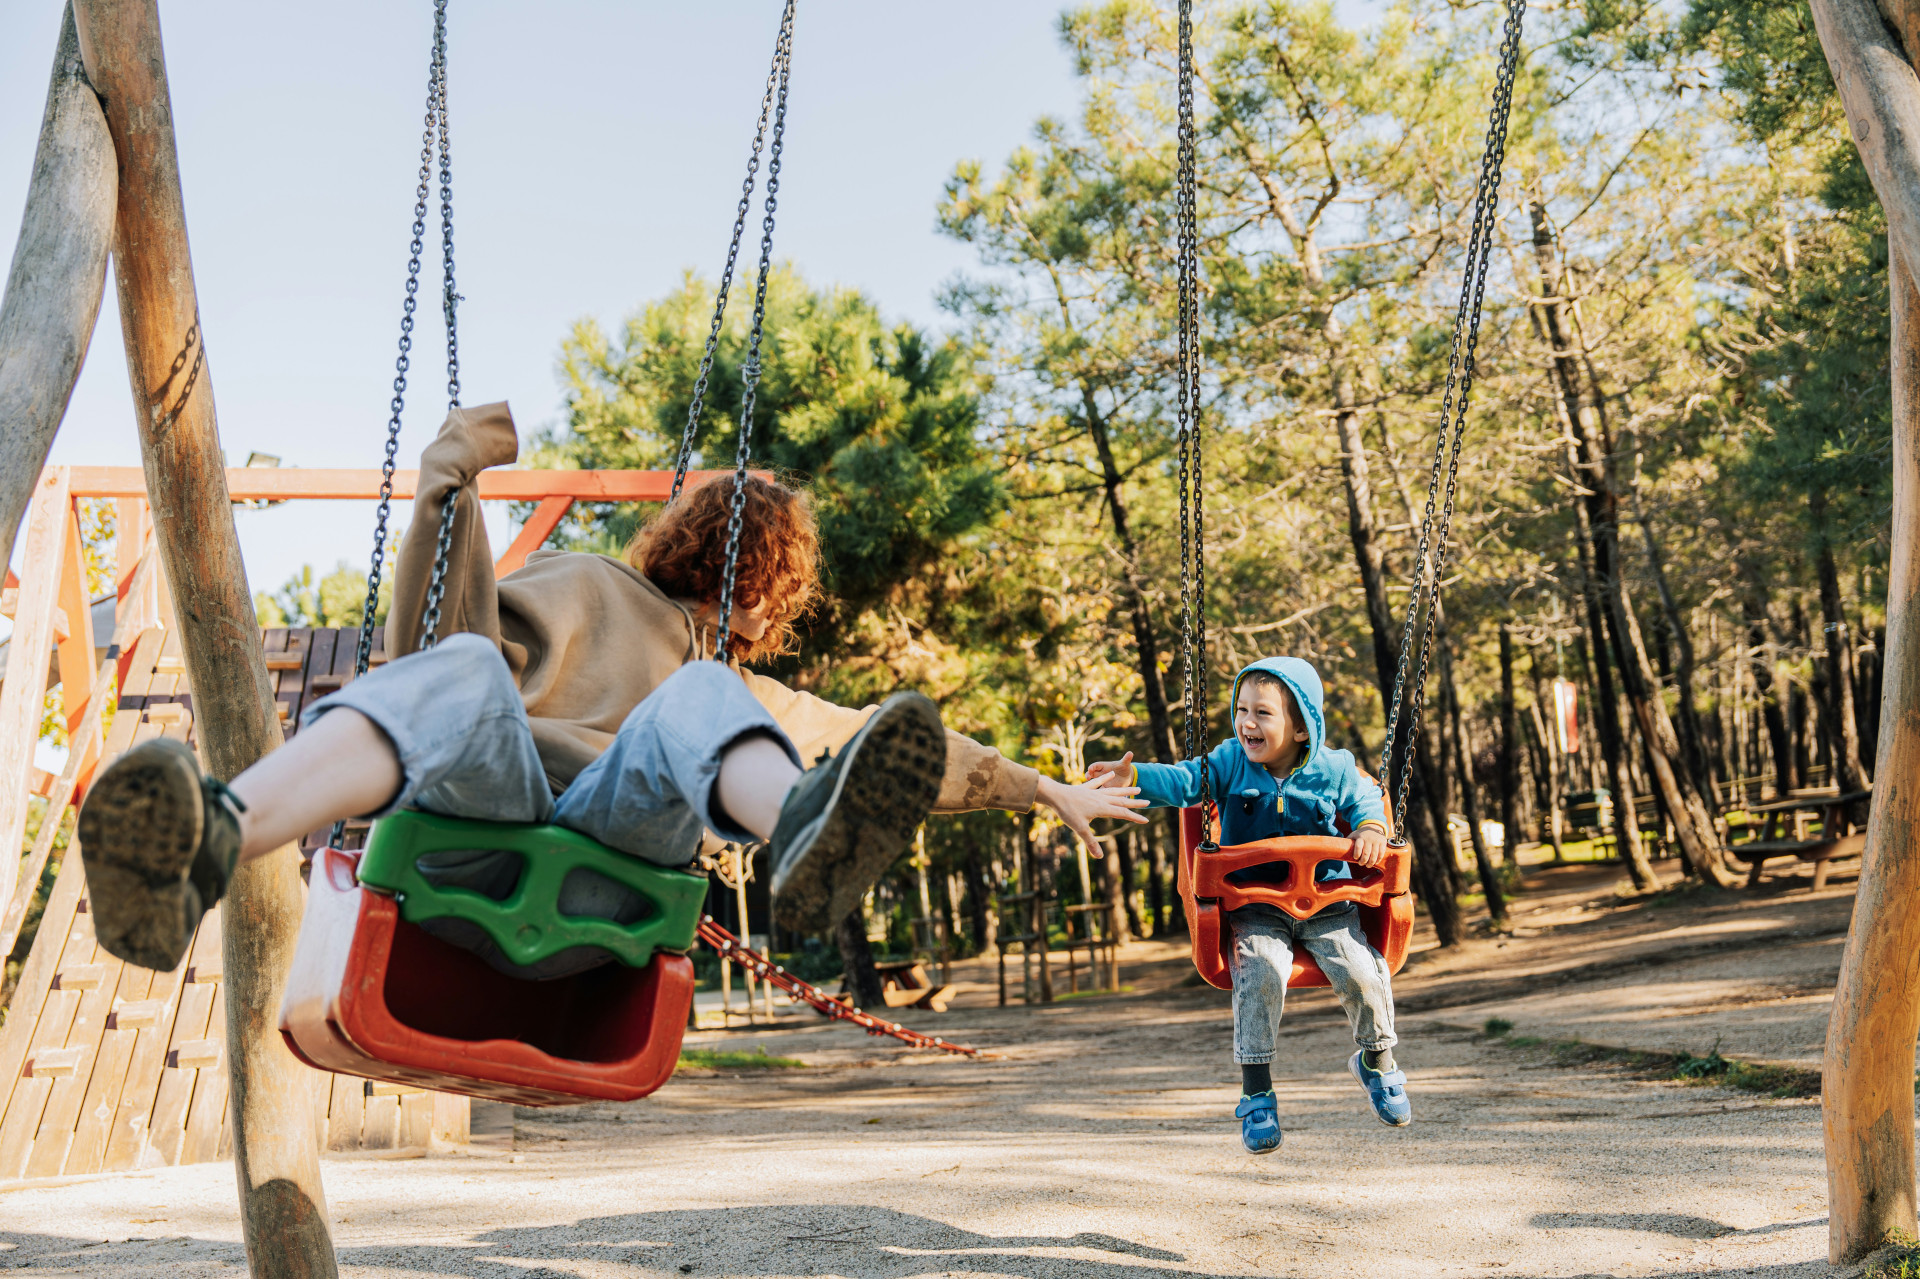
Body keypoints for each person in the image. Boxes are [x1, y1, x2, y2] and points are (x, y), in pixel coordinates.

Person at [76, 402, 1144, 979]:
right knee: (504, 674)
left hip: (509, 873)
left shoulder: (705, 684)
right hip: (556, 878)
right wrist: (449, 494)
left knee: (638, 689)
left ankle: (804, 839)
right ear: (763, 590)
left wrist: (1038, 786)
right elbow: (445, 658)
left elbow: (883, 749)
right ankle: (195, 850)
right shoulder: (649, 634)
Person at [1087, 656, 1410, 1154]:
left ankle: (1377, 1061)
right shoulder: (1228, 763)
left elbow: (1368, 799)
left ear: (1301, 729)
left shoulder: (1334, 769)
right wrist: (1132, 777)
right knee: (1260, 974)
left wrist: (1370, 828)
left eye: (1262, 713)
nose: (1246, 723)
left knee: (1363, 973)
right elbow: (1181, 782)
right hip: (1255, 906)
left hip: (1328, 903)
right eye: (1241, 710)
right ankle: (1257, 1089)